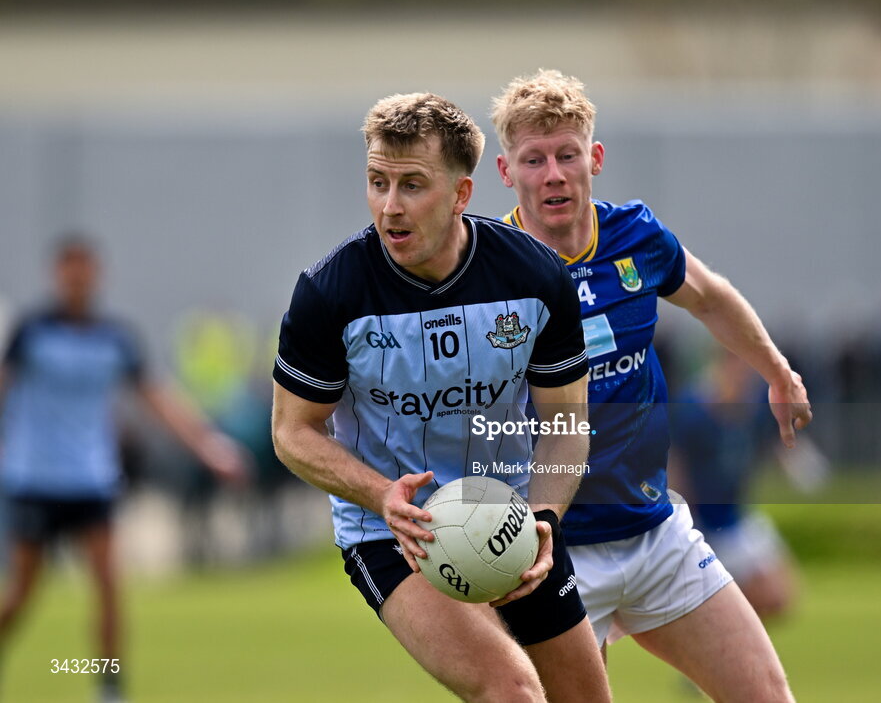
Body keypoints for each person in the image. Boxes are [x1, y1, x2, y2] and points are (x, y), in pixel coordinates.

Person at [270, 93, 611, 702]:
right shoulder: (330, 292)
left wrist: (543, 517)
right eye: (378, 183)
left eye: (412, 186)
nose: (390, 208)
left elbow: (567, 422)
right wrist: (382, 496)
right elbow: (292, 432)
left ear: (461, 195)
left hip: (510, 521)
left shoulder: (535, 277)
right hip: (393, 531)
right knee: (511, 692)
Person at [491, 69, 811, 702]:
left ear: (595, 158)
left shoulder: (636, 236)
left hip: (656, 533)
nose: (553, 173)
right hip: (552, 553)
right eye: (534, 159)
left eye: (567, 154)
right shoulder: (486, 269)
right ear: (507, 171)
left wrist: (776, 371)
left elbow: (711, 298)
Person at [0, 235, 248, 703]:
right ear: (56, 274)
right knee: (23, 592)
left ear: (96, 274)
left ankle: (109, 687)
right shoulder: (31, 333)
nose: (77, 278)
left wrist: (210, 447)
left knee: (109, 585)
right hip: (34, 477)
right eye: (69, 269)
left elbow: (158, 398)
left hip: (90, 479)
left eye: (85, 268)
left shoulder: (114, 337)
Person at [670, 350, 821, 620]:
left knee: (780, 598)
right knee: (736, 603)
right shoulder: (694, 410)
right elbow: (676, 465)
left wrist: (800, 466)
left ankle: (735, 632)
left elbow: (774, 440)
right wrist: (684, 519)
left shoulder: (754, 405)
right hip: (705, 522)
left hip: (738, 517)